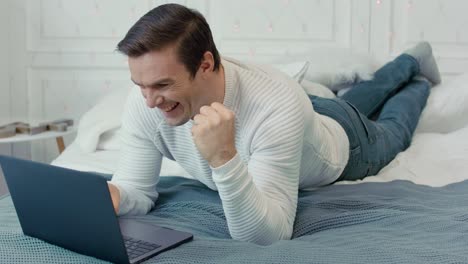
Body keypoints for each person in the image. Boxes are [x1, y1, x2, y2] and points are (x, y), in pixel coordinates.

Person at [107, 3, 441, 245]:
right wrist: (115, 196)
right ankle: (404, 66)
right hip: (300, 114)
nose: (149, 101)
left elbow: (267, 234)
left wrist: (224, 157)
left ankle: (415, 74)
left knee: (395, 129)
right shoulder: (145, 102)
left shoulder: (276, 102)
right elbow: (137, 190)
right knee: (355, 98)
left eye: (163, 86)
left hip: (346, 144)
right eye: (141, 86)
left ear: (205, 63)